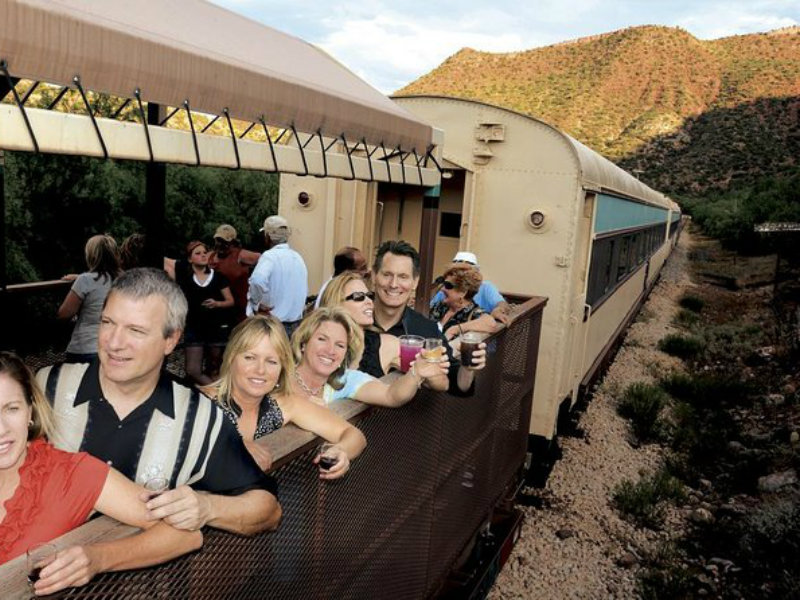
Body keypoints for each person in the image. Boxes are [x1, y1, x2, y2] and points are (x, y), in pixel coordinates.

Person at [36, 268, 281, 536]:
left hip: (147, 578)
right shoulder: (47, 387)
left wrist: (208, 507)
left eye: (136, 330)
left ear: (171, 340)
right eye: (107, 322)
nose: (114, 342)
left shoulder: (199, 418)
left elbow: (268, 510)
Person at [0, 351, 202, 593]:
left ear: (30, 411)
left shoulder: (69, 474)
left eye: (11, 408)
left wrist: (99, 558)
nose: (1, 429)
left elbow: (186, 534)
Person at [203, 315, 366, 478]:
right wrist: (235, 444)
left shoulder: (283, 404)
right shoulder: (202, 402)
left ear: (282, 367)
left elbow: (353, 435)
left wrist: (341, 450)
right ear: (231, 358)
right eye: (250, 358)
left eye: (272, 362)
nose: (260, 370)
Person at [371, 240, 486, 392]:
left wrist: (468, 367)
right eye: (387, 274)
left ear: (415, 282)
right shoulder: (351, 319)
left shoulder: (426, 329)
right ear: (374, 276)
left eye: (403, 277)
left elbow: (457, 386)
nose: (393, 284)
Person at [291, 307, 449, 408]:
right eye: (322, 339)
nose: (330, 350)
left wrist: (416, 372)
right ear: (304, 342)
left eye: (340, 345)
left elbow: (392, 396)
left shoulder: (345, 380)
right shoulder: (278, 376)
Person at [319, 272, 458, 386]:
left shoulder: (387, 344)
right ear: (336, 303)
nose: (369, 301)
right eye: (359, 297)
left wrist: (428, 367)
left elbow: (443, 384)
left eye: (369, 296)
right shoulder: (315, 344)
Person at [174, 240, 234, 385]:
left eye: (205, 252)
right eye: (198, 253)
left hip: (216, 328)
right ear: (190, 258)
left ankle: (214, 400)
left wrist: (217, 303)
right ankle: (218, 395)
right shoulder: (184, 278)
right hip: (194, 328)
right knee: (192, 370)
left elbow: (230, 301)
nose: (203, 255)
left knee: (214, 369)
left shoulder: (219, 277)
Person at [58, 234, 121, 363]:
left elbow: (64, 314)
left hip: (84, 349)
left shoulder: (85, 281)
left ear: (91, 256)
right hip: (113, 350)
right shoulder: (125, 280)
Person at [247, 215, 308, 337]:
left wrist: (256, 304)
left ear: (267, 236)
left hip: (274, 324)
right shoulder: (297, 257)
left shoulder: (269, 256)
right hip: (296, 325)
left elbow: (257, 280)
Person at [430, 252, 512, 324]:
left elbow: (501, 304)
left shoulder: (486, 287)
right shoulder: (446, 288)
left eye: (465, 271)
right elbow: (430, 309)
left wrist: (499, 310)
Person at [207, 224, 260, 323]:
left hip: (239, 313)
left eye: (224, 242)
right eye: (218, 240)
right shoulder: (209, 257)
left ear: (233, 242)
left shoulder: (241, 255)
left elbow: (266, 260)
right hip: (215, 311)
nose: (220, 244)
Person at [429, 264, 498, 340]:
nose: (442, 289)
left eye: (448, 285)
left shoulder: (473, 312)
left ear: (463, 292)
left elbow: (491, 324)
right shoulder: (440, 306)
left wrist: (454, 329)